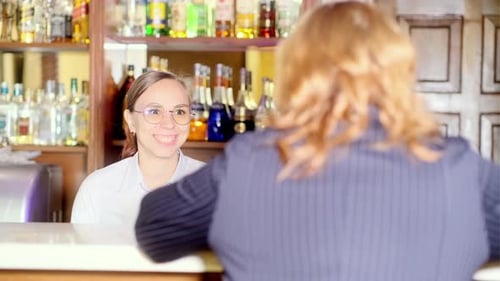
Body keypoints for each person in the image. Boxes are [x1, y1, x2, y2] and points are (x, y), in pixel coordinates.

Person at [135, 2, 500, 281]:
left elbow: (153, 229)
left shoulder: (246, 163)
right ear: (401, 72)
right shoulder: (459, 170)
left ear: (296, 72)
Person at [71, 71, 205, 226]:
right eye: (154, 111)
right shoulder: (97, 188)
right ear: (131, 120)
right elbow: (80, 251)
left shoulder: (217, 187)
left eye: (180, 111)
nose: (169, 124)